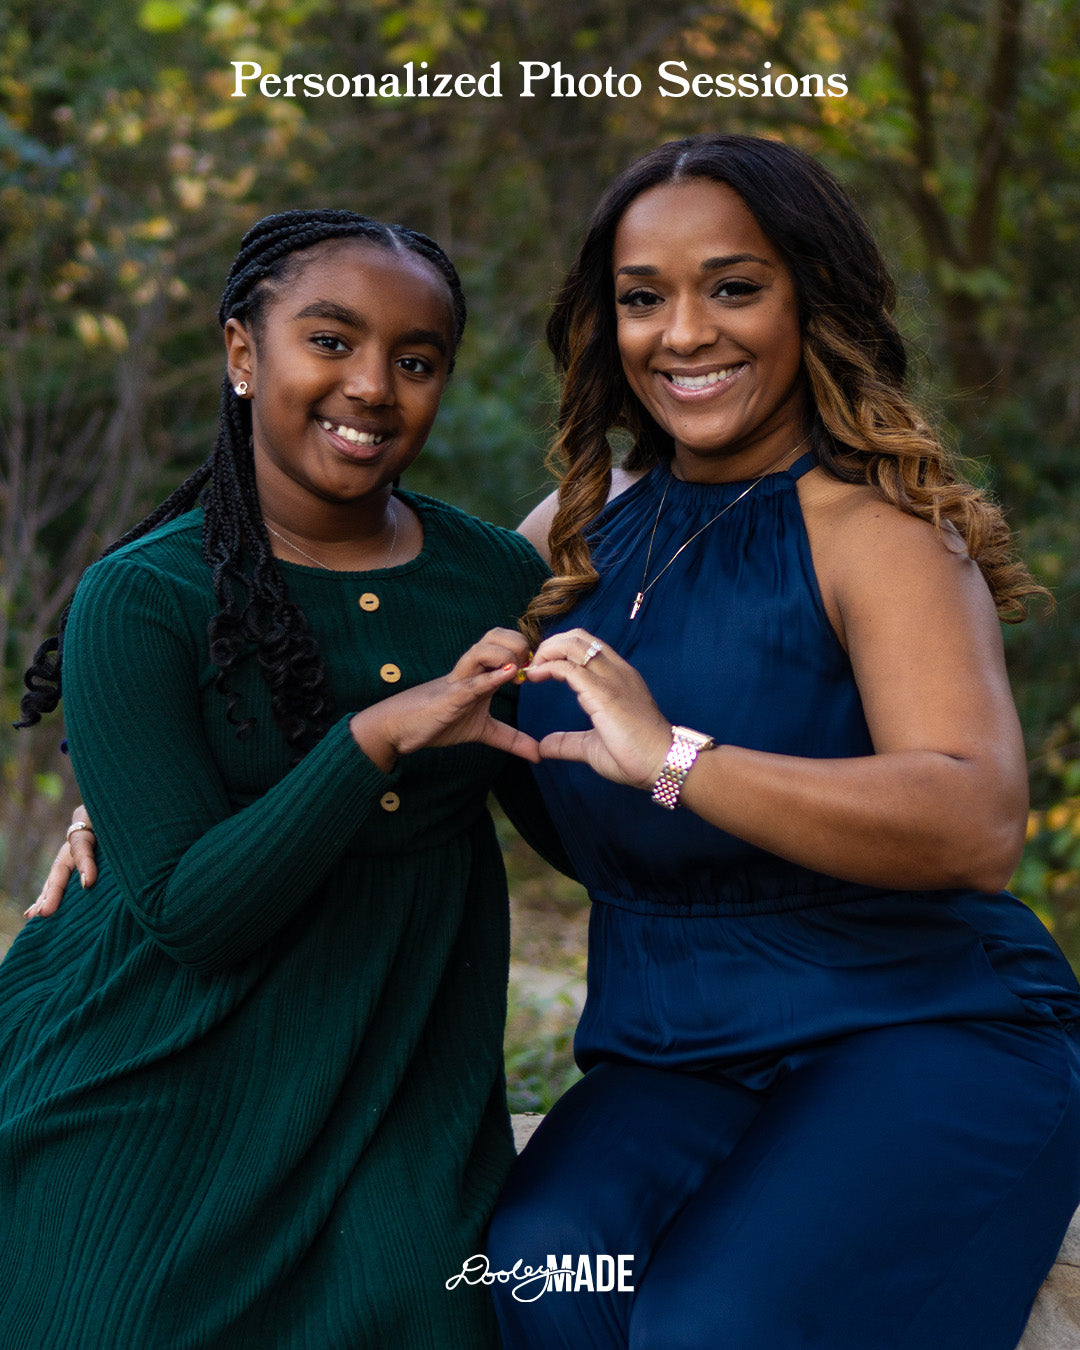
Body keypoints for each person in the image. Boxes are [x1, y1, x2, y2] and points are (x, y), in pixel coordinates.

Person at [481, 135, 1080, 1349]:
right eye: (644, 298)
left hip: (919, 1027)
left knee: (717, 1324)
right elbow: (376, 662)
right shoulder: (574, 532)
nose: (684, 333)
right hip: (672, 1049)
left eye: (734, 287)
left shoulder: (879, 528)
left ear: (813, 296)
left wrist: (675, 759)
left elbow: (975, 822)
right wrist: (132, 792)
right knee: (543, 1278)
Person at [1, 208, 559, 1348]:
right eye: (332, 341)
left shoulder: (493, 574)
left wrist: (680, 773)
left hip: (398, 1088)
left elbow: (575, 801)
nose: (373, 387)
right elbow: (193, 917)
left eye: (416, 361)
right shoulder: (144, 596)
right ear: (244, 355)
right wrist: (372, 739)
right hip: (150, 1067)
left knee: (433, 1318)